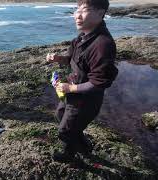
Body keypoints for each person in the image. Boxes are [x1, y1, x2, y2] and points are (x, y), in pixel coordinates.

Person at [46, 0, 118, 162]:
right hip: (73, 92)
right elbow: (70, 58)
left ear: (100, 13)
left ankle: (70, 155)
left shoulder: (102, 45)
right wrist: (58, 58)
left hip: (86, 99)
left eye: (84, 10)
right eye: (76, 9)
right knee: (60, 114)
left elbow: (99, 83)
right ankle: (85, 146)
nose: (77, 15)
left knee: (65, 131)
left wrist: (70, 88)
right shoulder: (81, 37)